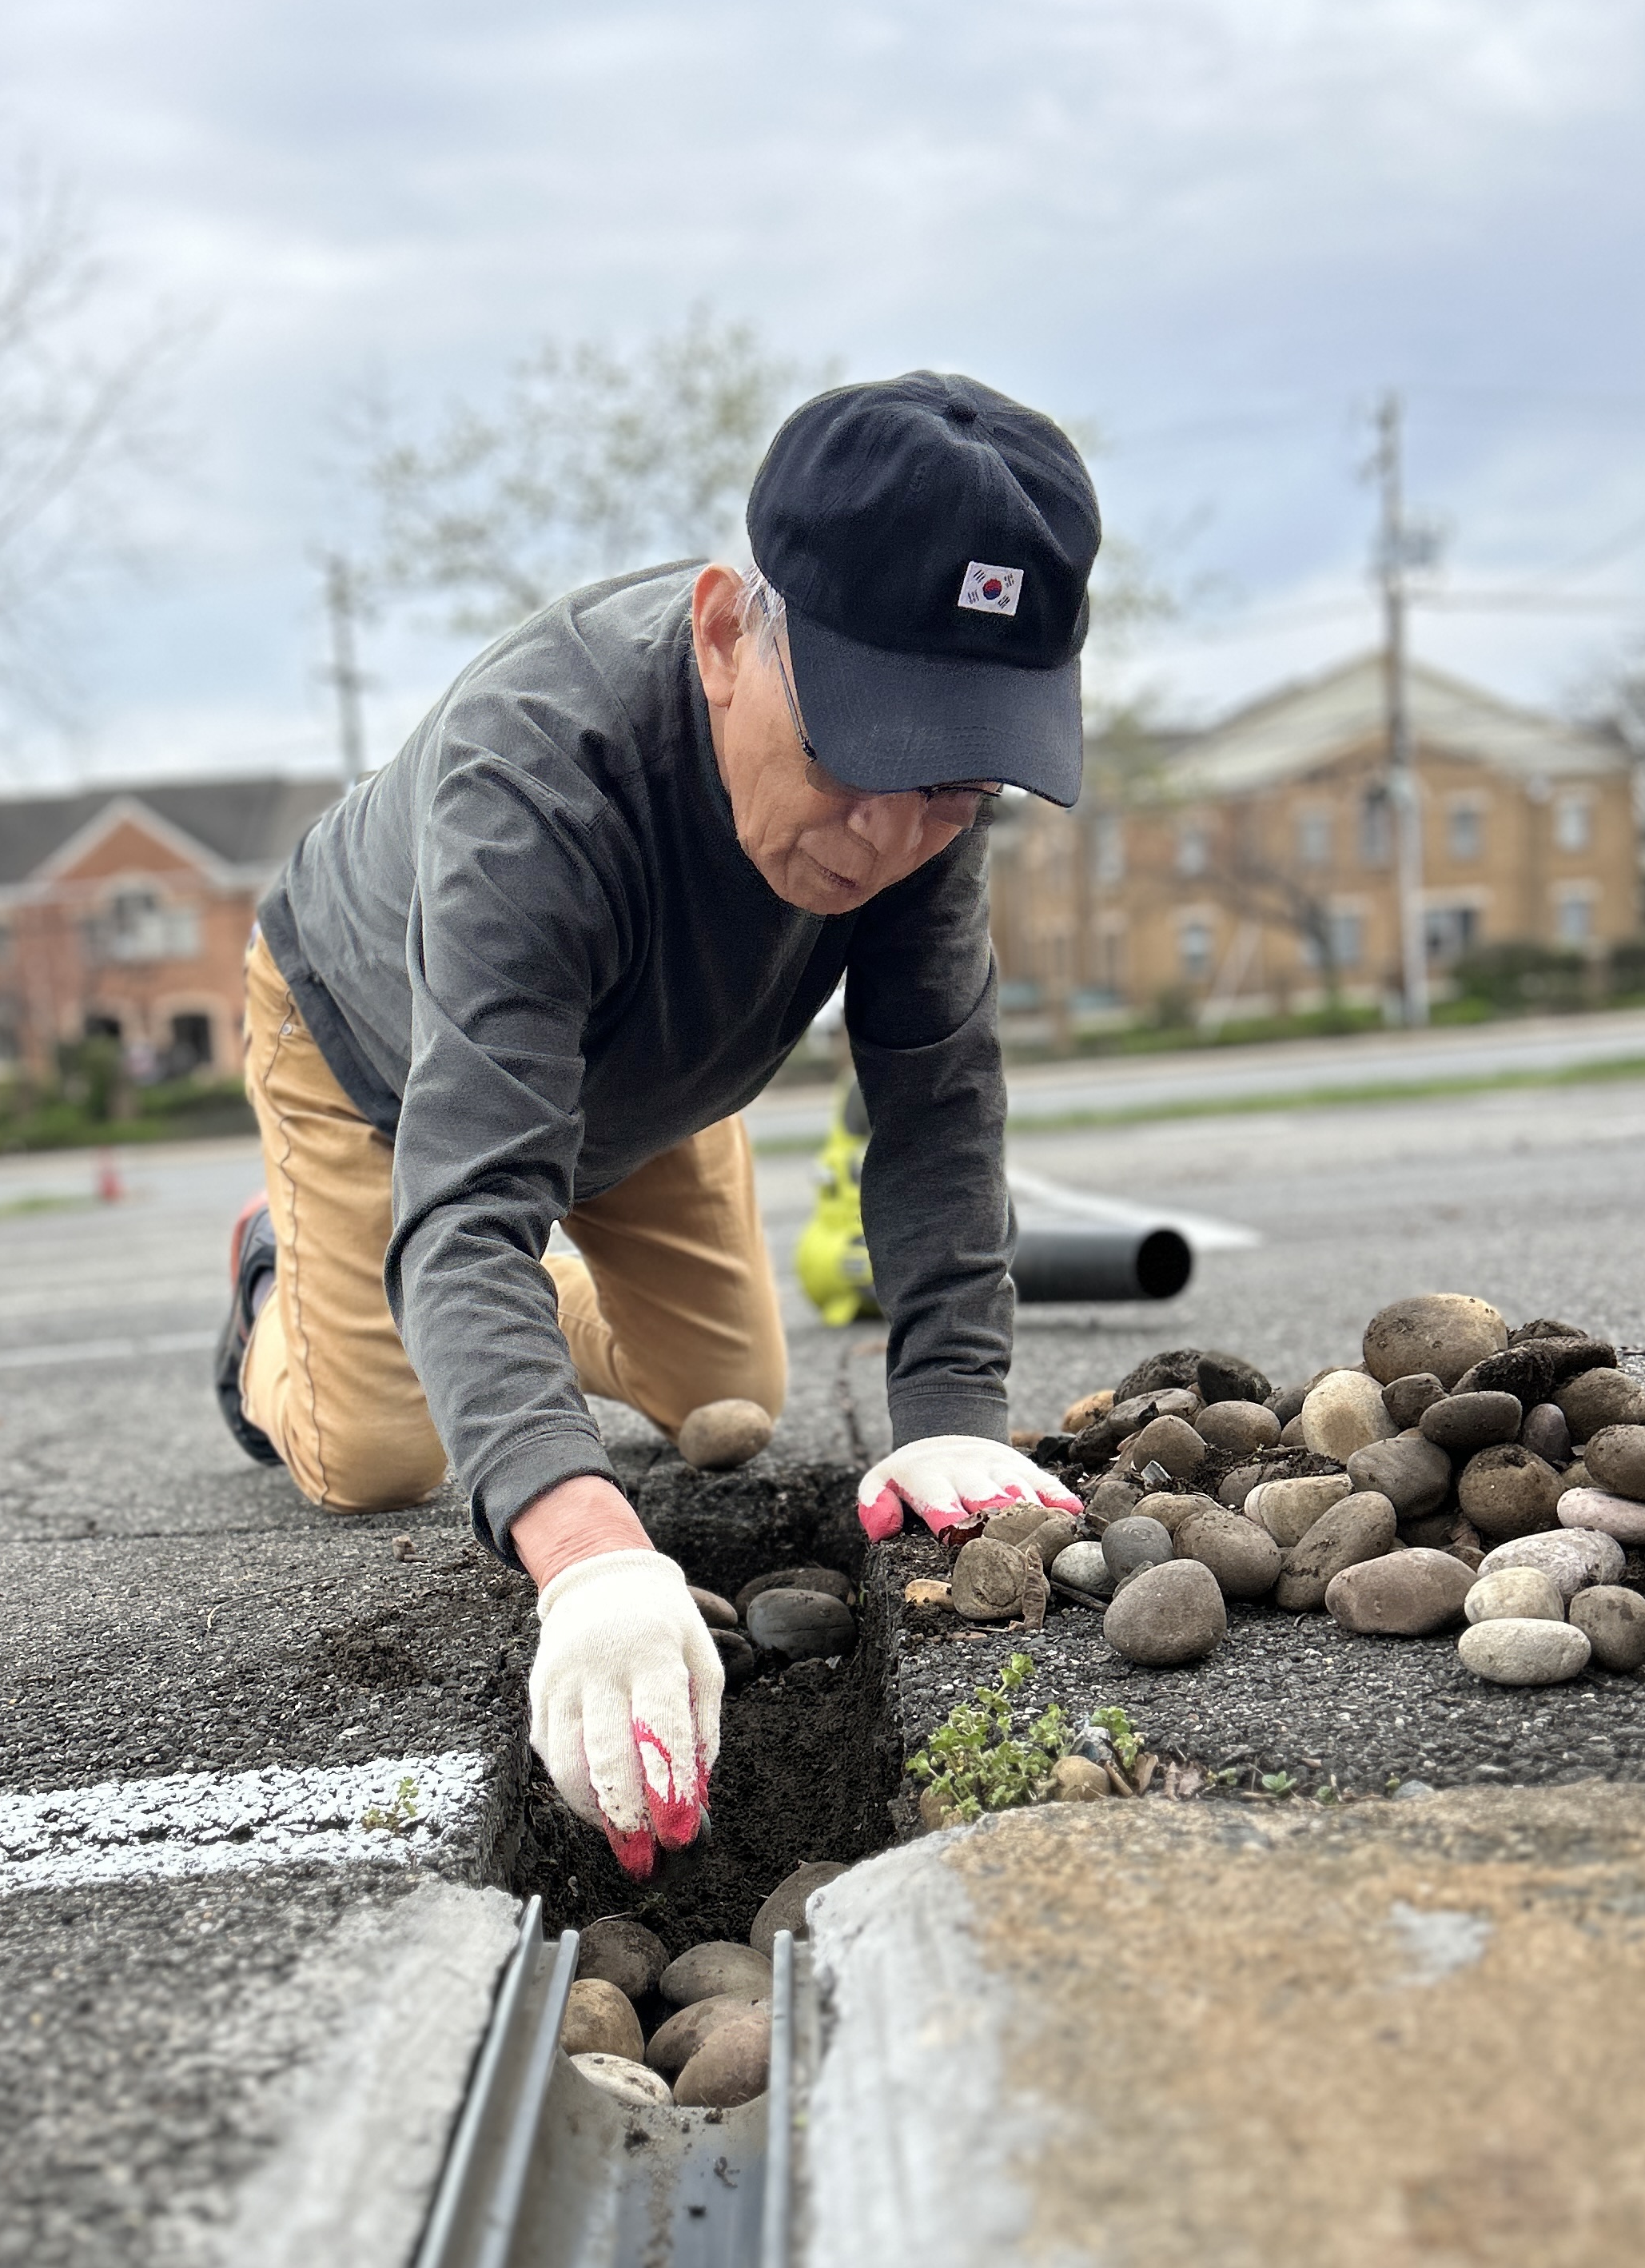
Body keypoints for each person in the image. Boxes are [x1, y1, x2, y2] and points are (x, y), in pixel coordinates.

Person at [217, 370, 1093, 1874]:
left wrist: (952, 1407)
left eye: (951, 786)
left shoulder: (913, 817)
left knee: (725, 1393)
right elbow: (473, 1191)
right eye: (852, 759)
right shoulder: (532, 776)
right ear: (724, 633)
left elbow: (937, 1095)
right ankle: (276, 1290)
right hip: (385, 1060)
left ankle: (484, 1315)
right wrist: (582, 1548)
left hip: (659, 1080)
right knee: (379, 1454)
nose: (890, 839)